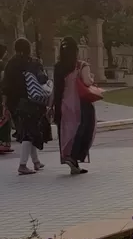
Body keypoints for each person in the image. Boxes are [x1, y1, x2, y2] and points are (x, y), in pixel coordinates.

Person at [3, 38, 52, 175]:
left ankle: (36, 161)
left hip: (15, 103)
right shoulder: (33, 63)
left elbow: (5, 87)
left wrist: (5, 104)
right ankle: (23, 165)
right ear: (28, 48)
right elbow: (42, 80)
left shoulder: (10, 64)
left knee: (28, 130)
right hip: (31, 102)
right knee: (28, 133)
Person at [54, 37, 98, 176]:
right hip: (80, 104)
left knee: (67, 132)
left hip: (64, 104)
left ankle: (71, 160)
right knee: (82, 129)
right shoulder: (81, 65)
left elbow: (56, 89)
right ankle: (74, 157)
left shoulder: (58, 67)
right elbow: (87, 82)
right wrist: (92, 78)